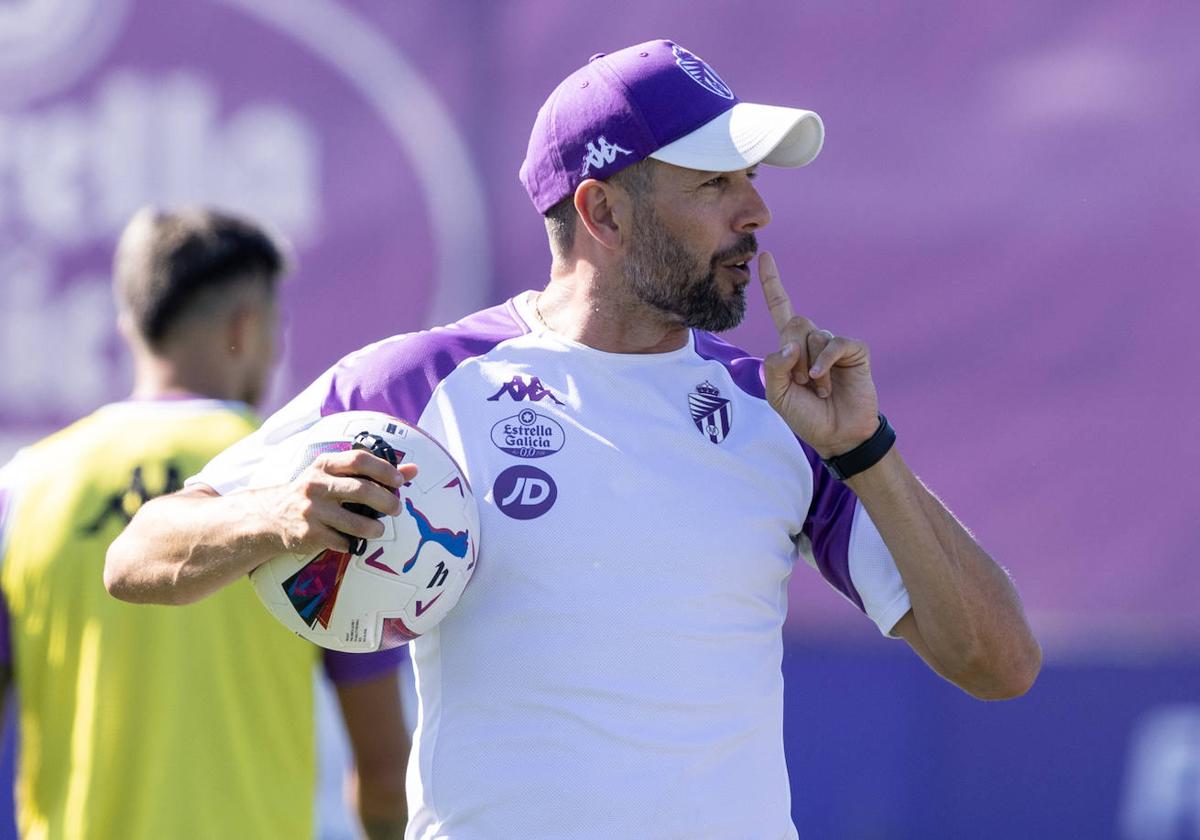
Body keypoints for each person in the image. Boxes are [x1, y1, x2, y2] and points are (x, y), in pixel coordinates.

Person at [105, 40, 1042, 839]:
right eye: (715, 182)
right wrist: (278, 513)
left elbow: (999, 664)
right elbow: (137, 553)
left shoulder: (781, 411)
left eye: (750, 181)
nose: (756, 214)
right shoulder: (417, 381)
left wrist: (867, 450)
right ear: (602, 212)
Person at [0, 208, 410, 839]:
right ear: (246, 327)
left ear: (130, 328)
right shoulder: (310, 485)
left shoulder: (21, 489)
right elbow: (383, 772)